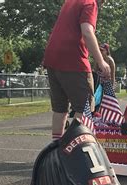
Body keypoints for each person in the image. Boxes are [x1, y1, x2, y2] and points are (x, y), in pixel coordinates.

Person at [43, 0, 111, 140]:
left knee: (60, 109)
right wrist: (101, 61)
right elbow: (87, 31)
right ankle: (74, 147)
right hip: (74, 60)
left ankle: (56, 148)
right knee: (84, 109)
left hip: (52, 58)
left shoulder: (71, 1)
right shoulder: (90, 3)